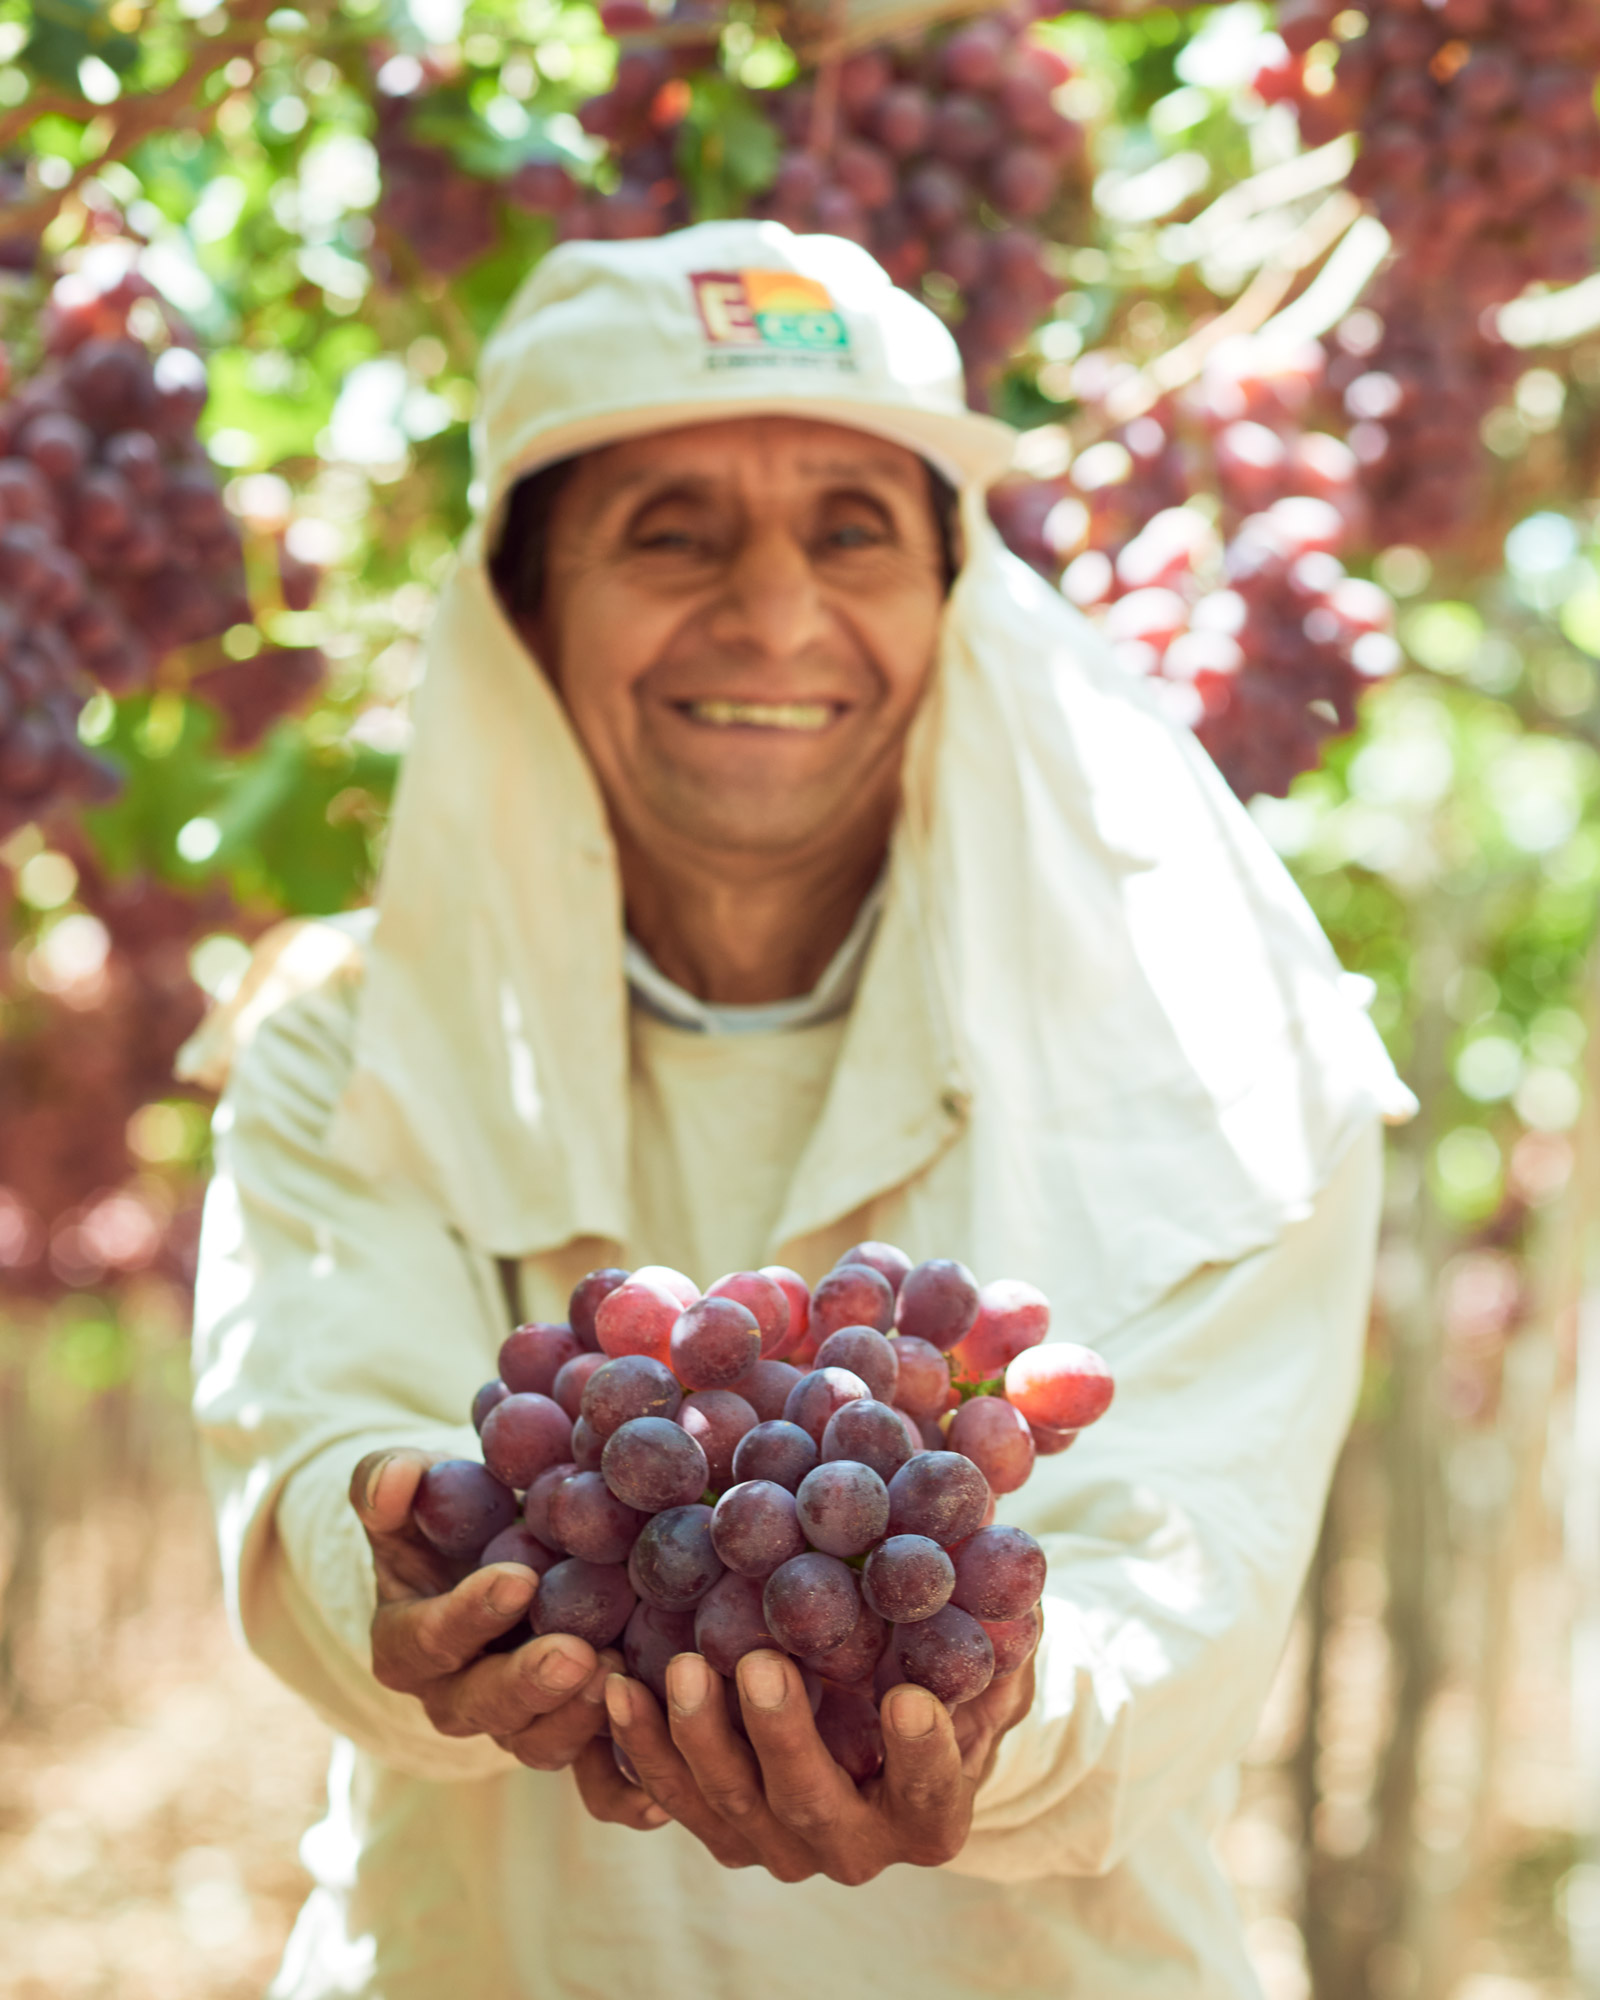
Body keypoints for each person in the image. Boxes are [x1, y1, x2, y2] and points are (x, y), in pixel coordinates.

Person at [188, 220, 1413, 1998]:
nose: (771, 612)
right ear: (526, 608)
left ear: (953, 590)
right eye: (669, 533)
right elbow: (320, 1471)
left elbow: (1182, 1606)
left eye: (850, 528)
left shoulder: (1226, 1059)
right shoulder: (343, 1046)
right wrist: (391, 1574)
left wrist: (1000, 1716)